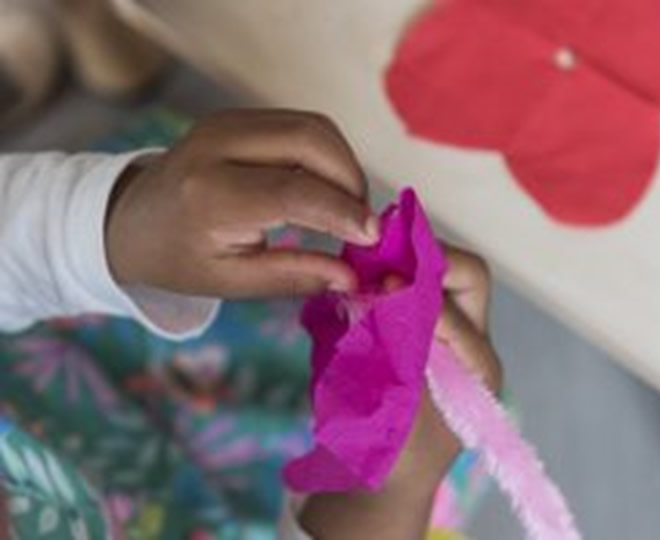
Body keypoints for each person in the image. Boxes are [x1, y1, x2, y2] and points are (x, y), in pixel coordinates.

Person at [0, 109, 501, 539]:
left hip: (51, 400)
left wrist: (109, 224)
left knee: (216, 233)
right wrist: (379, 495)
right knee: (446, 443)